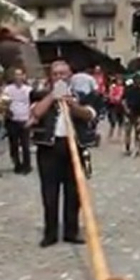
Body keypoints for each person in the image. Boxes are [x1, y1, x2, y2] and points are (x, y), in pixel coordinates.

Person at [29, 60, 98, 247]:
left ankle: (71, 231)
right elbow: (36, 113)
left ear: (70, 76)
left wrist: (72, 105)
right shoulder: (40, 94)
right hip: (49, 148)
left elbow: (90, 115)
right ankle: (50, 233)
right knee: (50, 193)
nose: (60, 77)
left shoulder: (82, 95)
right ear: (50, 77)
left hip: (74, 146)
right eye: (56, 74)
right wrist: (52, 96)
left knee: (74, 193)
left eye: (63, 74)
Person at [3, 66, 33, 174]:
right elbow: (5, 103)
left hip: (25, 118)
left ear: (24, 76)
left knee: (25, 144)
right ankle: (17, 164)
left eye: (20, 74)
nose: (18, 77)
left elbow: (32, 104)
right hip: (12, 120)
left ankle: (27, 165)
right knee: (14, 144)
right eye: (16, 75)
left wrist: (32, 118)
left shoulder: (28, 90)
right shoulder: (8, 89)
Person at [123, 75, 140, 155]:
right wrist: (126, 109)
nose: (138, 83)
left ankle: (136, 149)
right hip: (130, 112)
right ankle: (128, 147)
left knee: (137, 132)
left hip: (138, 113)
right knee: (129, 131)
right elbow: (124, 100)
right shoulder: (129, 89)